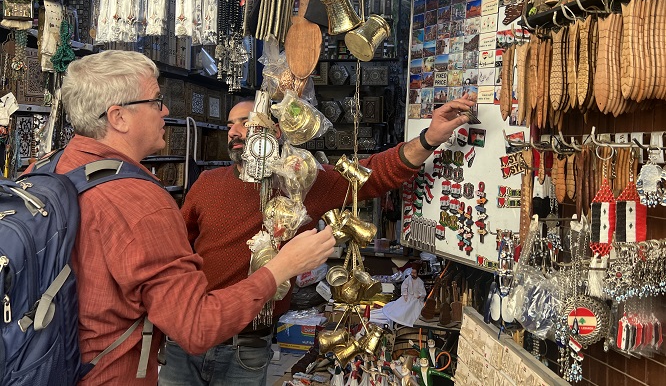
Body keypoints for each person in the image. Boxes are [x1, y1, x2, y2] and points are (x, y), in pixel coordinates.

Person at [56, 50, 335, 384]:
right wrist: (283, 267)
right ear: (118, 117)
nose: (166, 110)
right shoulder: (141, 202)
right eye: (156, 101)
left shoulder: (51, 169)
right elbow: (195, 327)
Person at [159, 93, 475, 385]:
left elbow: (372, 173)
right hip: (185, 343)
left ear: (277, 131)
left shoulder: (302, 180)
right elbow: (175, 254)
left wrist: (429, 138)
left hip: (248, 349)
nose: (234, 131)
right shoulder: (207, 184)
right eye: (230, 125)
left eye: (246, 121)